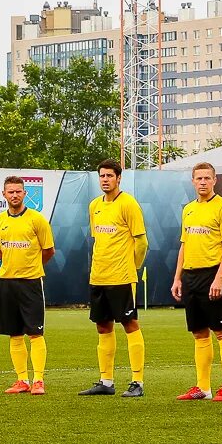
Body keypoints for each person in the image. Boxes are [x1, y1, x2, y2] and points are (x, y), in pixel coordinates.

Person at [79, 159, 149, 397]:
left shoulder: (128, 204)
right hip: (99, 276)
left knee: (130, 325)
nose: (105, 180)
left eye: (110, 175)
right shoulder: (94, 206)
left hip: (122, 276)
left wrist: (133, 267)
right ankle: (106, 381)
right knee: (102, 326)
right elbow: (99, 239)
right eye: (102, 176)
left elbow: (142, 241)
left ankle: (137, 382)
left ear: (119, 178)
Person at [172, 162, 222, 401]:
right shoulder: (188, 209)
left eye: (207, 178)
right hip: (190, 276)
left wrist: (219, 278)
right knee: (199, 333)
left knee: (221, 331)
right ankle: (203, 387)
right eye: (198, 178)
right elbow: (184, 244)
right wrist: (178, 277)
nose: (202, 182)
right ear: (192, 181)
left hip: (212, 274)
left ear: (214, 180)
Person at [0, 175, 55, 394]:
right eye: (11, 192)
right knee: (14, 334)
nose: (15, 195)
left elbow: (48, 250)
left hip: (31, 283)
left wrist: (31, 265)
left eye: (19, 191)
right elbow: (0, 252)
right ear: (4, 194)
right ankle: (21, 380)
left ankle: (38, 380)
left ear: (25, 194)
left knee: (35, 333)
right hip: (7, 283)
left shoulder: (37, 220)